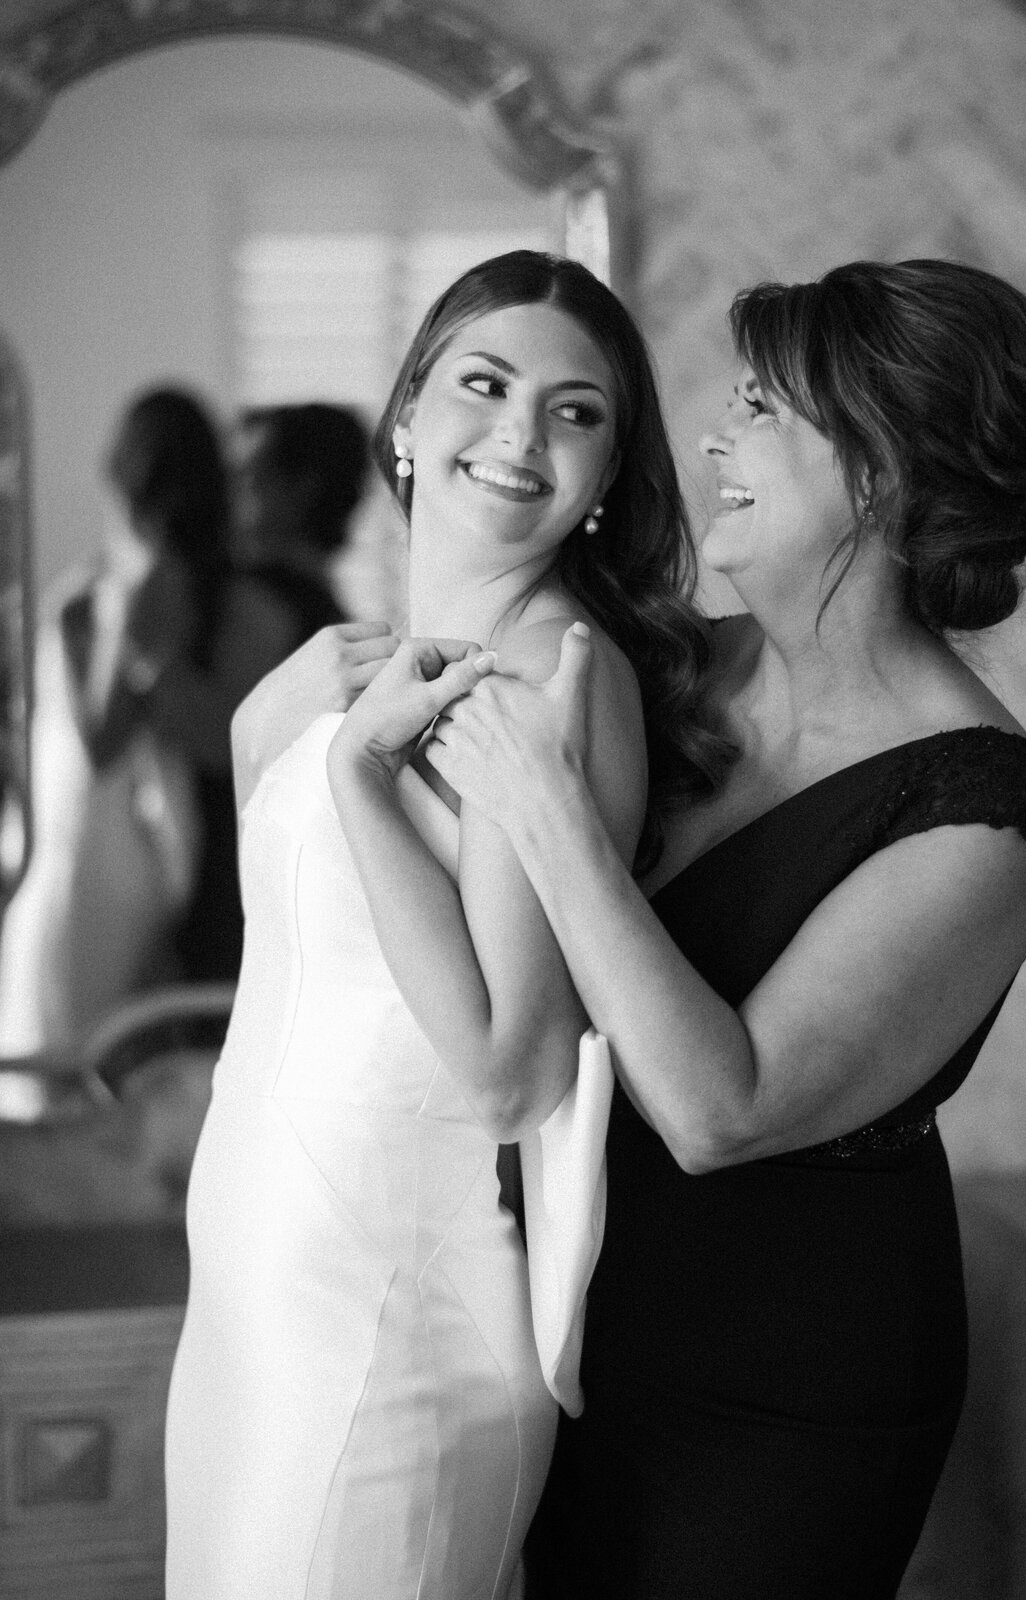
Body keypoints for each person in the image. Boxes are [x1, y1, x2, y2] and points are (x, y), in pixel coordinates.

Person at [425, 259, 1026, 1598]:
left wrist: (550, 815)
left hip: (784, 1396)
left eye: (767, 407)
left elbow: (722, 1110)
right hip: (577, 1322)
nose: (717, 435)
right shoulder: (672, 669)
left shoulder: (980, 818)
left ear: (881, 473)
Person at [163, 250, 731, 1600]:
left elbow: (512, 1069)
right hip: (256, 1288)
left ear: (607, 478)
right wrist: (273, 730)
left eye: (576, 411)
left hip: (389, 1315)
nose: (522, 434)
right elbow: (306, 940)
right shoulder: (361, 661)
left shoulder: (549, 680)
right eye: (485, 384)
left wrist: (357, 772)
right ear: (408, 417)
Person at [0, 387, 281, 1046]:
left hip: (163, 887)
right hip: (147, 877)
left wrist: (141, 638)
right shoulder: (86, 606)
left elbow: (118, 744)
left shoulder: (229, 609)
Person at [231, 401, 369, 637]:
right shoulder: (340, 630)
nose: (230, 492)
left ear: (302, 489)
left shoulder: (240, 610)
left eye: (249, 477)